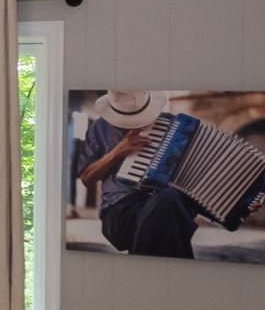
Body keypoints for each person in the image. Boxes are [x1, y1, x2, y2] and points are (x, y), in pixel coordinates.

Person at [77, 91, 200, 258]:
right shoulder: (100, 128)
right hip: (120, 211)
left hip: (169, 203)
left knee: (168, 203)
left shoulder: (173, 125)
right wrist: (117, 152)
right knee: (168, 208)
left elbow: (196, 167)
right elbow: (86, 177)